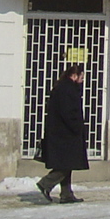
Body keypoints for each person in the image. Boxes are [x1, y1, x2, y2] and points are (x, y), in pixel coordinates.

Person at [37, 64, 89, 203]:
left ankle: (66, 194)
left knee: (67, 163)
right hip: (66, 134)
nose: (82, 80)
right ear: (74, 76)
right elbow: (69, 112)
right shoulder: (67, 90)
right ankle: (46, 183)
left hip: (61, 133)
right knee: (67, 164)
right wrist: (77, 127)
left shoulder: (63, 88)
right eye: (81, 77)